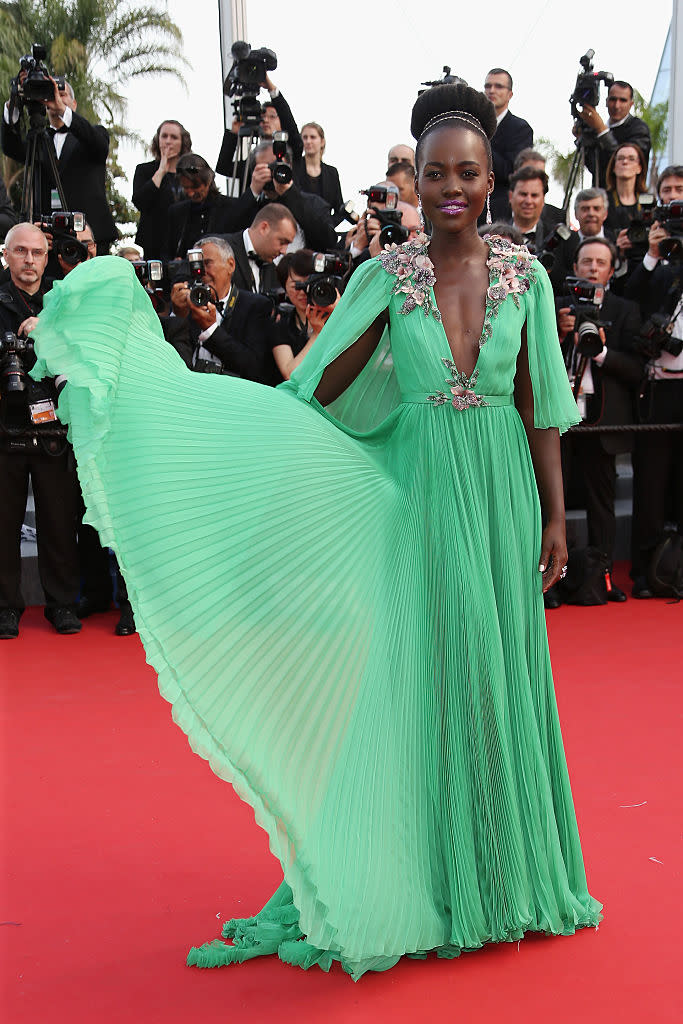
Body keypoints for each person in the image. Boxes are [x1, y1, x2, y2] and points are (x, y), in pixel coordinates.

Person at [30, 81, 601, 979]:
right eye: (435, 173)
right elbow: (320, 389)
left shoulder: (525, 277)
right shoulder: (386, 276)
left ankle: (511, 874)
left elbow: (539, 404)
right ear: (415, 182)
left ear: (493, 181)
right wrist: (232, 429)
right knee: (430, 671)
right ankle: (429, 869)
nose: (452, 187)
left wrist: (554, 515)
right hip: (417, 494)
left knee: (502, 670)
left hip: (500, 491)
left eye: (470, 173)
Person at [0, 223, 80, 638]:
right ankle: (5, 607)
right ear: (7, 255)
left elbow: (83, 352)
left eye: (37, 252)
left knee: (58, 521)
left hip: (55, 426)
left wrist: (46, 333)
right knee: (3, 522)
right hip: (5, 423)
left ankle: (62, 604)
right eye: (21, 252)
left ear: (47, 258)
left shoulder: (63, 302)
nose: (29, 260)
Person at [554, 238, 643, 605]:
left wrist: (601, 351)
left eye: (600, 262)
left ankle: (602, 575)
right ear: (574, 267)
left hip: (603, 420)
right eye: (586, 261)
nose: (592, 268)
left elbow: (638, 370)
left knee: (601, 501)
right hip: (559, 418)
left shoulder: (625, 311)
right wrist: (558, 334)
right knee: (551, 499)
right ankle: (551, 580)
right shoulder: (554, 308)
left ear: (611, 269)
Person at [623, 165, 683, 597]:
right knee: (651, 482)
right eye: (669, 193)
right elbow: (633, 300)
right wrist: (653, 253)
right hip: (659, 384)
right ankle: (646, 570)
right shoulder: (654, 259)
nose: (676, 198)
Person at [2, 78, 116, 254]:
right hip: (49, 234)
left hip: (90, 234)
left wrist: (63, 110)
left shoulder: (93, 133)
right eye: (52, 95)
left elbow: (99, 145)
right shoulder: (38, 139)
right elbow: (11, 148)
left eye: (62, 94)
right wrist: (14, 106)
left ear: (74, 104)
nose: (56, 99)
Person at [162, 235, 278, 385]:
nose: (201, 272)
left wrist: (211, 330)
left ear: (230, 265)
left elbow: (255, 369)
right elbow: (170, 364)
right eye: (195, 266)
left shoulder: (257, 306)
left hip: (234, 396)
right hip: (191, 392)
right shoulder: (185, 306)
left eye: (207, 263)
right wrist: (177, 317)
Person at [162, 153, 259, 261]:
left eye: (195, 187)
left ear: (208, 181)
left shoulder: (231, 207)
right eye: (185, 188)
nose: (190, 193)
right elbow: (166, 251)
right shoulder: (177, 212)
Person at [270, 250, 340, 381]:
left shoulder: (338, 314)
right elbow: (290, 374)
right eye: (296, 285)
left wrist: (340, 311)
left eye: (310, 283)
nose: (304, 291)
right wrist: (317, 333)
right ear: (284, 288)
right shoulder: (281, 325)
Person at [132, 119, 193, 260]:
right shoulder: (144, 170)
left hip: (185, 244)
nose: (168, 141)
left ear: (182, 142)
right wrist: (161, 171)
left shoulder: (190, 173)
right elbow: (140, 202)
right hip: (155, 244)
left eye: (174, 137)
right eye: (164, 136)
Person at [575, 80, 651, 190]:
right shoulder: (598, 129)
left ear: (631, 104)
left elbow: (626, 162)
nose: (617, 105)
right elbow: (595, 168)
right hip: (601, 197)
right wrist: (581, 138)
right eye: (613, 99)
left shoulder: (638, 128)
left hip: (628, 197)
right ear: (606, 101)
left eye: (623, 100)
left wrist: (602, 130)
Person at [483, 68, 533, 221]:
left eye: (498, 86)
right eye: (487, 86)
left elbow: (512, 171)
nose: (492, 91)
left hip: (502, 212)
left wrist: (481, 143)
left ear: (510, 94)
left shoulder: (520, 129)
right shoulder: (474, 125)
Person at [222, 203, 297, 294]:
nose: (284, 251)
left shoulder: (272, 271)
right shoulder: (219, 248)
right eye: (282, 242)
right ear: (264, 228)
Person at [292, 122, 344, 224]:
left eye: (313, 137)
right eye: (305, 137)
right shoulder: (294, 168)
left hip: (323, 233)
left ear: (322, 141)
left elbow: (339, 208)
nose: (308, 141)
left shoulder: (332, 173)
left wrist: (328, 226)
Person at [506, 167, 557, 252]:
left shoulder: (560, 240)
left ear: (543, 199)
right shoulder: (494, 236)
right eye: (523, 194)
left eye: (534, 195)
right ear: (511, 196)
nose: (528, 201)